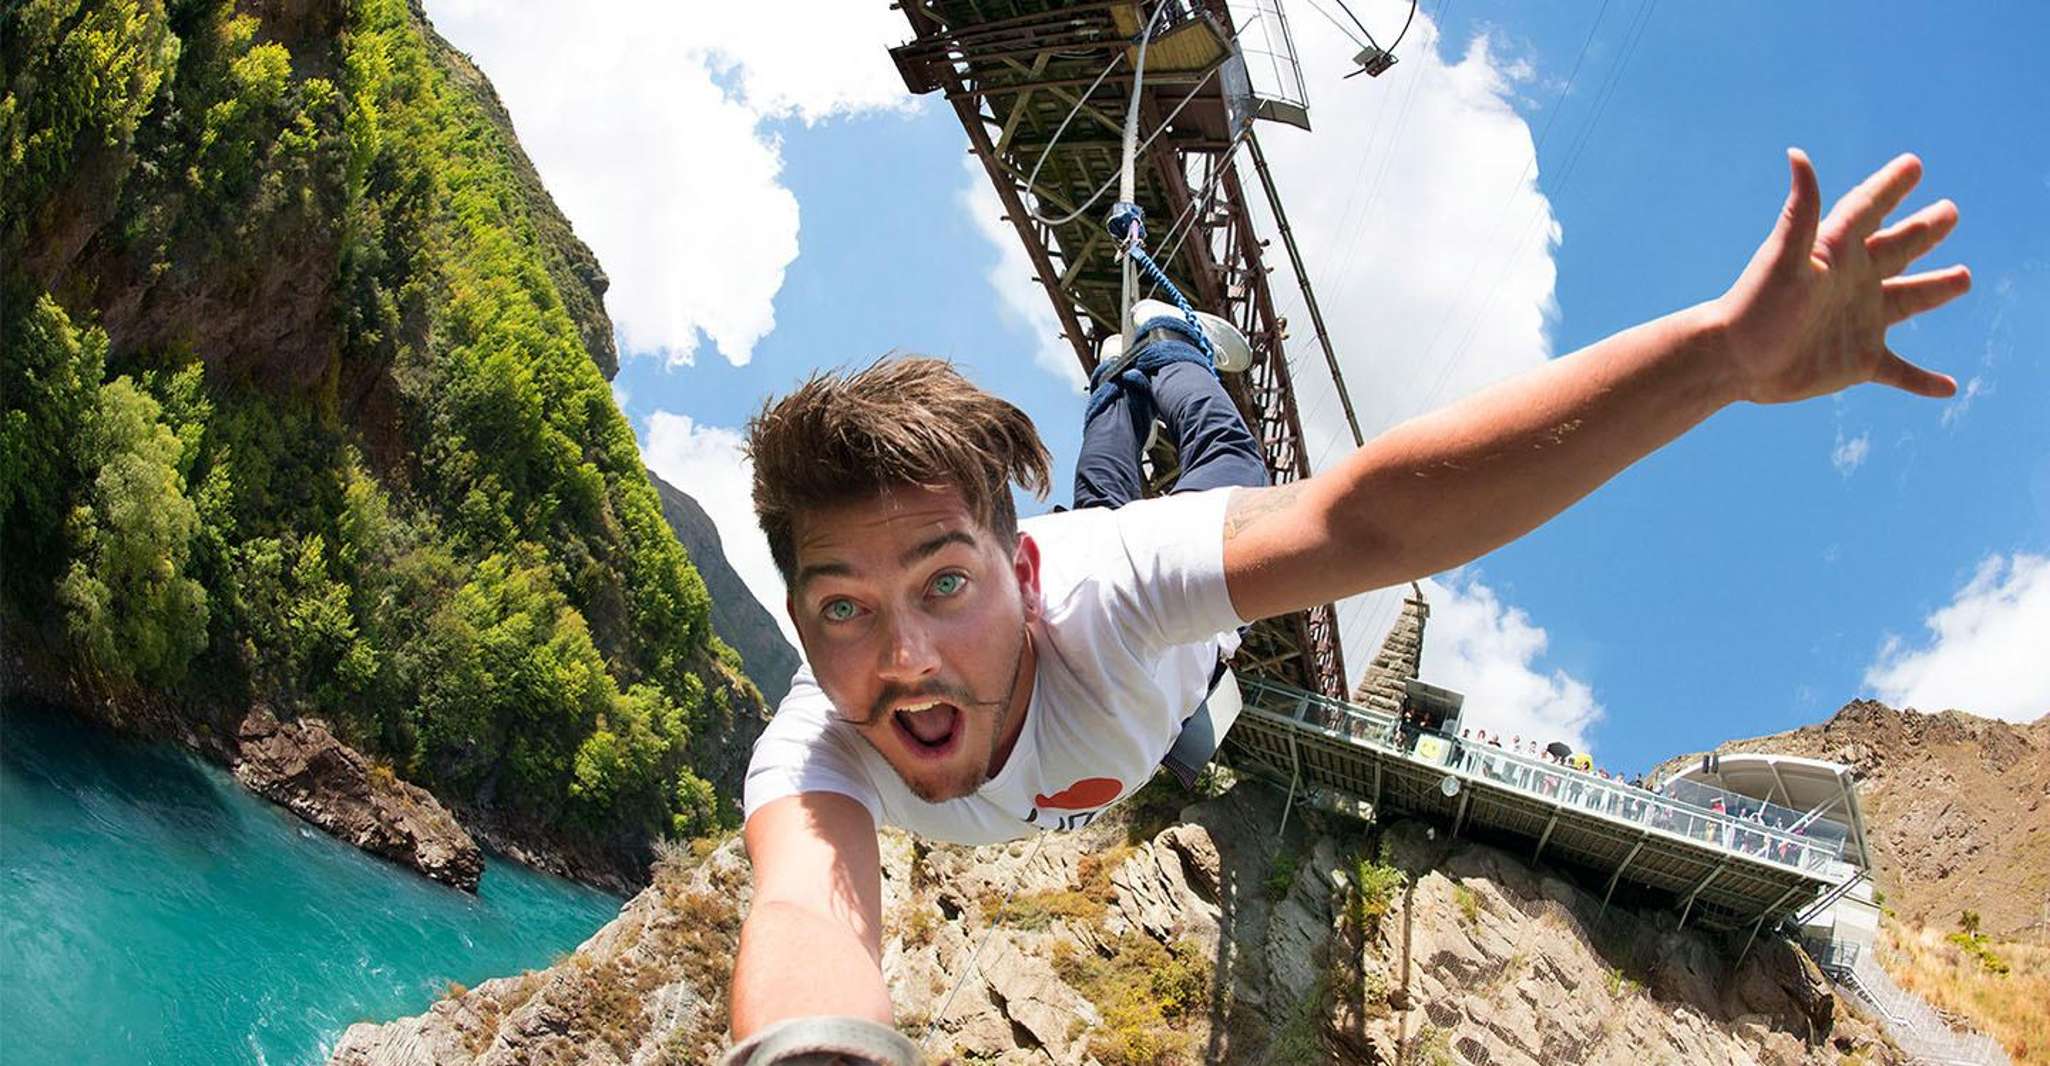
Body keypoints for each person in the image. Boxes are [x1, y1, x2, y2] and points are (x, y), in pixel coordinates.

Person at [727, 150, 1967, 1048]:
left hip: (1150, 648)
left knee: (1221, 458)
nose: (906, 655)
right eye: (843, 608)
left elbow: (1363, 520)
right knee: (1101, 483)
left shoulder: (1107, 590)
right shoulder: (815, 745)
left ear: (1020, 573)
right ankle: (1118, 380)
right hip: (1121, 668)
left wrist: (1721, 356)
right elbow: (804, 910)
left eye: (943, 583)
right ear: (799, 624)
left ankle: (1165, 352)